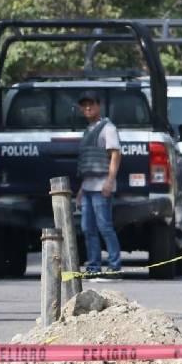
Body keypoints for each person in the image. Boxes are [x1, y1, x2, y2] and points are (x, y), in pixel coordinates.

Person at [75, 90, 122, 276]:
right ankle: (93, 267)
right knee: (88, 229)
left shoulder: (108, 128)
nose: (87, 108)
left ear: (98, 105)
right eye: (84, 105)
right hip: (88, 187)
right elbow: (87, 163)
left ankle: (114, 266)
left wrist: (110, 182)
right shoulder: (88, 130)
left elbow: (115, 155)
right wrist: (81, 190)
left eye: (91, 104)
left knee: (105, 227)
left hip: (102, 186)